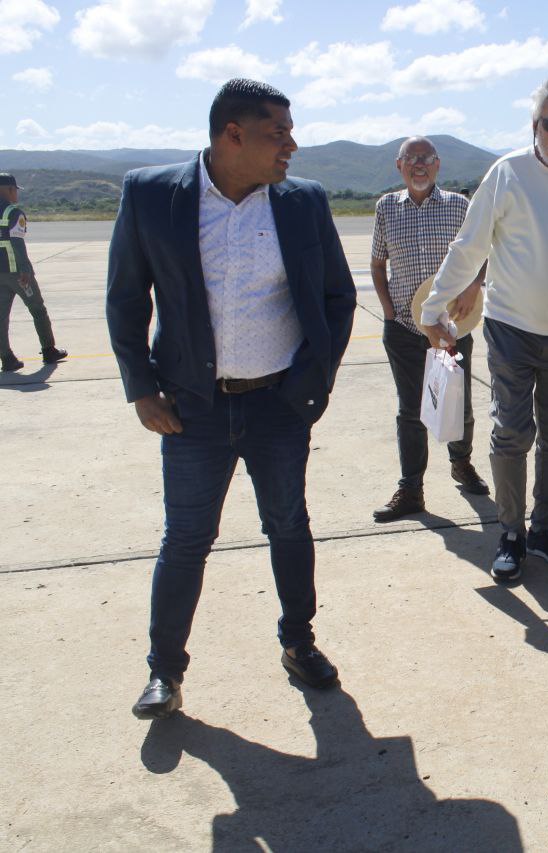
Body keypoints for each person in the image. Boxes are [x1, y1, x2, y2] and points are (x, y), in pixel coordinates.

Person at [105, 79, 357, 719]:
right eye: (280, 133)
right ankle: (165, 671)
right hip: (192, 409)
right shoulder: (152, 195)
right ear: (233, 134)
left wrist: (313, 382)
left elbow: (337, 297)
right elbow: (126, 299)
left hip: (279, 405)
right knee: (186, 539)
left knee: (289, 525)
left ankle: (299, 643)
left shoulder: (302, 201)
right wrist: (142, 389)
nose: (292, 145)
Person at [419, 74, 548, 583]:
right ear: (535, 124)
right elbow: (470, 245)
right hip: (510, 328)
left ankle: (545, 528)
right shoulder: (507, 173)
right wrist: (434, 306)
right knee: (511, 431)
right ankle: (510, 533)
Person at [370, 136, 489, 523]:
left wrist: (473, 287)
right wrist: (389, 311)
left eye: (427, 158)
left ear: (438, 165)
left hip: (451, 328)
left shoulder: (459, 205)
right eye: (411, 158)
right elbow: (377, 264)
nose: (419, 164)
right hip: (405, 329)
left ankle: (461, 464)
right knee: (410, 410)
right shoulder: (386, 207)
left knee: (458, 403)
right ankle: (411, 488)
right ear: (399, 165)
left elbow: (482, 253)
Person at [0, 173, 66, 372]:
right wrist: (25, 270)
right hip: (17, 274)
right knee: (37, 309)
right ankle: (48, 350)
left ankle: (7, 358)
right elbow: (17, 243)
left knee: (1, 317)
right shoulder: (13, 213)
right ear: (9, 190)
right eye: (15, 190)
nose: (16, 194)